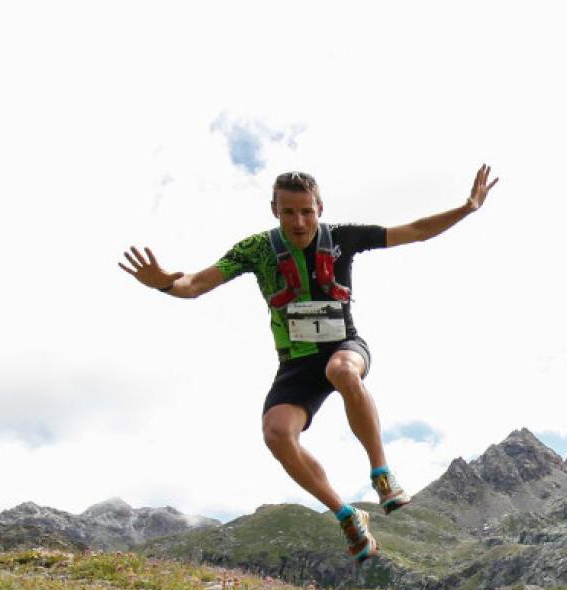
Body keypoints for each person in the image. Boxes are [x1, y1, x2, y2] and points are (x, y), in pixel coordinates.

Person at [118, 165, 498, 563]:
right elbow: (194, 284)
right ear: (274, 211)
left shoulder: (343, 239)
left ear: (319, 208)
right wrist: (162, 282)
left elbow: (416, 230)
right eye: (288, 212)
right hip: (296, 364)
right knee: (277, 434)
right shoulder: (256, 249)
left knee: (342, 371)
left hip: (345, 347)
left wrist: (467, 208)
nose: (299, 221)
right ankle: (348, 517)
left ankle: (382, 475)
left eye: (306, 211)